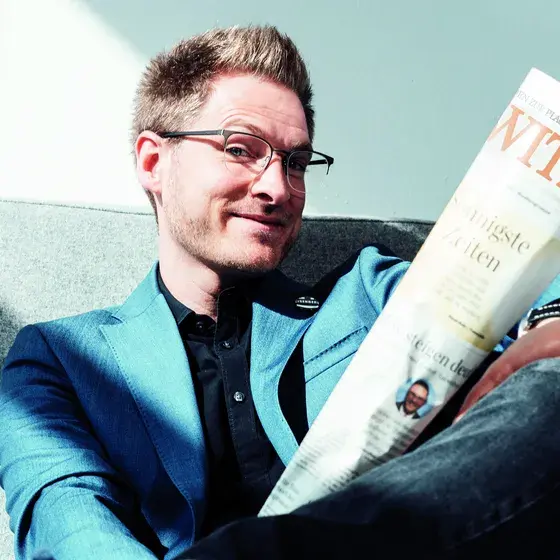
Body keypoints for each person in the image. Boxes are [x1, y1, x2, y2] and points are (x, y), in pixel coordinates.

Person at [2, 25, 560, 560]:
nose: (278, 188)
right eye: (241, 149)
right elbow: (68, 522)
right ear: (154, 161)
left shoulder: (368, 295)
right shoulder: (59, 360)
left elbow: (520, 299)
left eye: (295, 162)